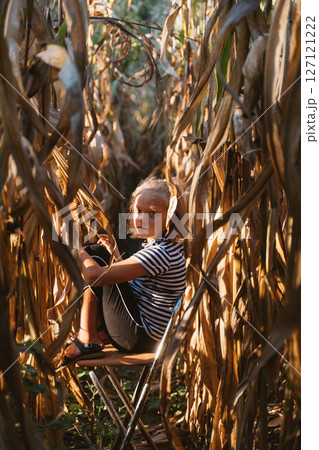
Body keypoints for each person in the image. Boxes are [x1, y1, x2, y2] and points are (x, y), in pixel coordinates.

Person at [61, 177, 187, 365]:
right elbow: (139, 287)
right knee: (102, 255)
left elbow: (93, 277)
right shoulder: (166, 246)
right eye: (139, 211)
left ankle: (88, 337)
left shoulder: (161, 252)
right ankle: (94, 334)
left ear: (171, 217)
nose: (142, 218)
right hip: (142, 333)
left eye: (152, 213)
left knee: (94, 255)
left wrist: (73, 245)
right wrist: (116, 256)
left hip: (138, 336)